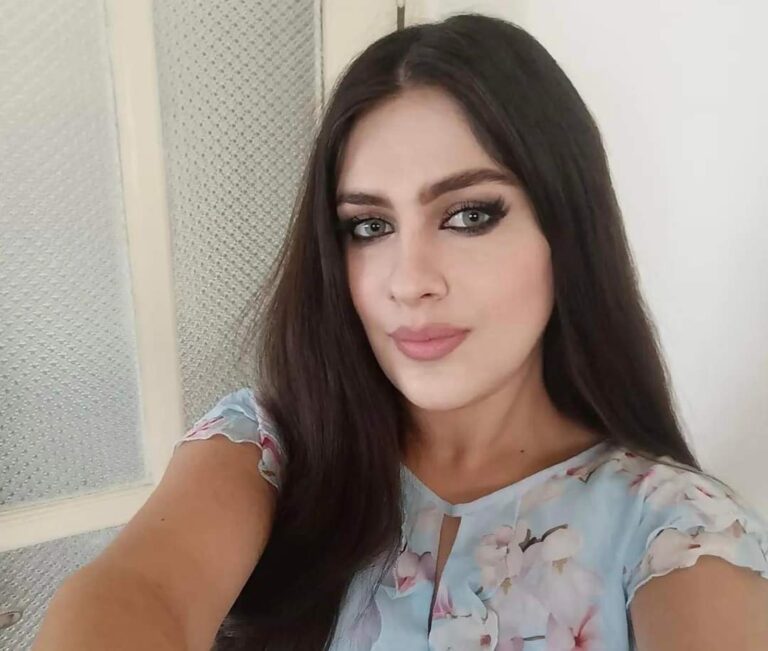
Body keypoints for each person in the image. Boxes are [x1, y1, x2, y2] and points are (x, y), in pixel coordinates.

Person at [33, 12, 768, 651]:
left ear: (567, 230)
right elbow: (138, 592)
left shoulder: (675, 529)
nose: (409, 280)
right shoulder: (268, 451)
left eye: (469, 215)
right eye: (369, 226)